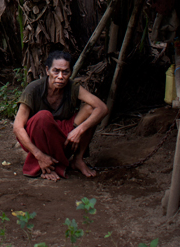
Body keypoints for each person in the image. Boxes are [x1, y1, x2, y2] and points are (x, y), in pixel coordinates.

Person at [12, 51, 108, 181]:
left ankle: (78, 160)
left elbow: (102, 108)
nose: (61, 76)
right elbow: (17, 127)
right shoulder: (34, 89)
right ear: (47, 70)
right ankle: (45, 164)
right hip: (38, 137)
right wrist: (39, 155)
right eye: (56, 71)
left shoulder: (72, 87)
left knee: (90, 109)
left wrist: (79, 130)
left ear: (70, 72)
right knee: (43, 117)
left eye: (65, 72)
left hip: (63, 135)